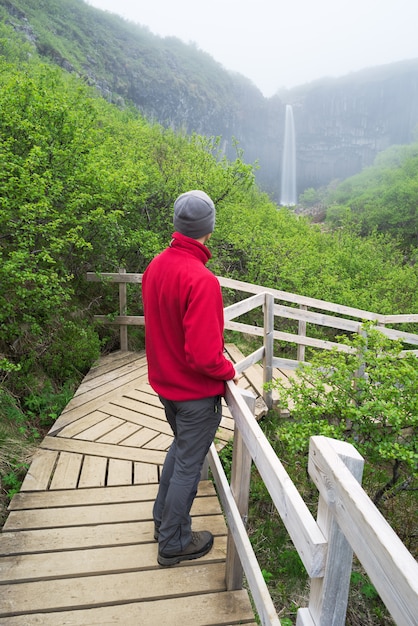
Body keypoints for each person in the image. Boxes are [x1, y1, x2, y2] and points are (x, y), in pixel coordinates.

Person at [142, 189, 238, 567]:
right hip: (194, 395)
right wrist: (229, 370)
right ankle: (174, 541)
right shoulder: (201, 279)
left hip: (166, 385)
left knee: (179, 452)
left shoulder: (156, 266)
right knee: (187, 464)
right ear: (208, 229)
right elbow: (204, 356)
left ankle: (162, 521)